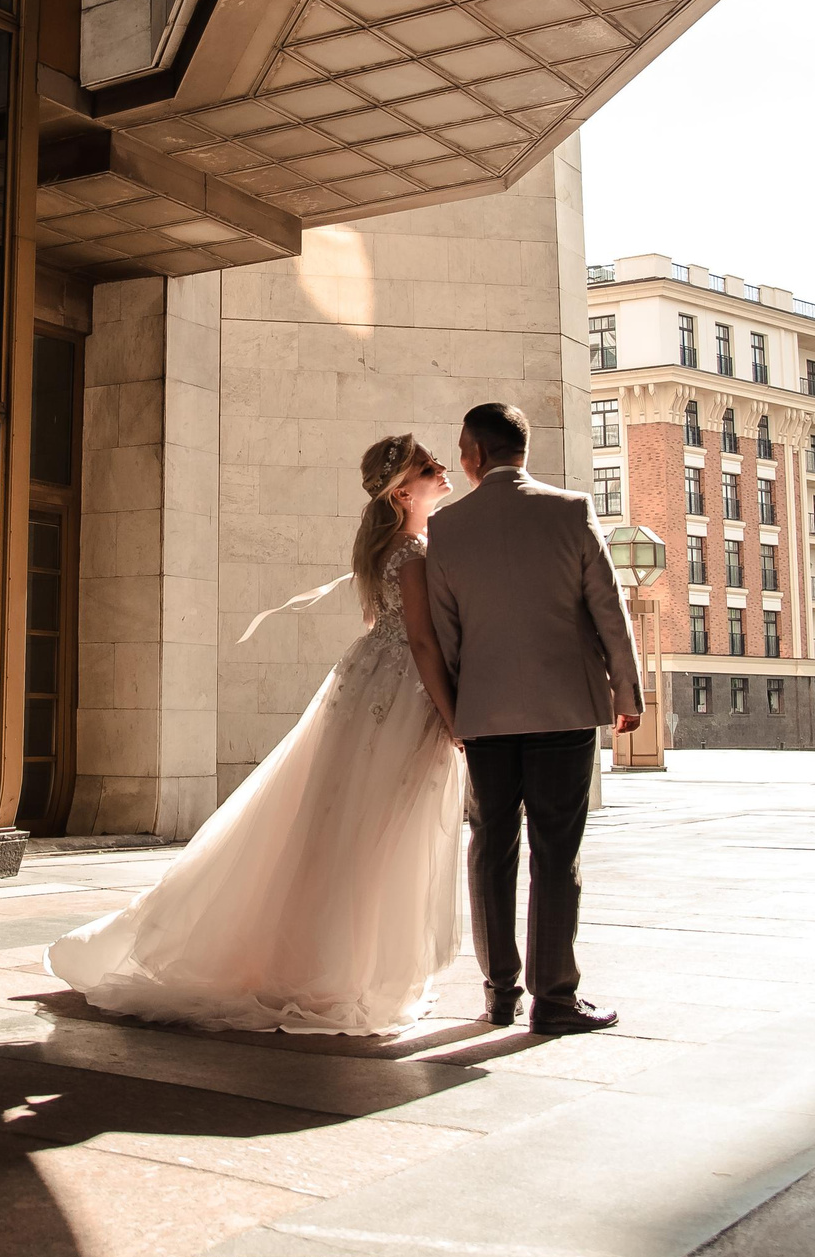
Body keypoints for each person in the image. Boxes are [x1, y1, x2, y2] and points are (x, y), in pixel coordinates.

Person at [47, 434, 466, 1032]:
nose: (442, 468)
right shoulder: (413, 552)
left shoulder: (399, 547)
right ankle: (335, 969)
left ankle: (331, 963)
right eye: (429, 465)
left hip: (374, 686)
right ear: (402, 493)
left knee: (351, 825)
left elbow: (385, 625)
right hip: (401, 693)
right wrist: (453, 714)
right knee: (375, 828)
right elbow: (422, 639)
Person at [426, 401, 642, 1035]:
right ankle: (554, 999)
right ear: (524, 451)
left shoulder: (448, 527)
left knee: (490, 845)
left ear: (471, 454)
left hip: (485, 715)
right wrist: (628, 694)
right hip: (564, 709)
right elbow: (609, 608)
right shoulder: (571, 510)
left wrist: (463, 707)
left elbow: (446, 634)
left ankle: (498, 994)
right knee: (556, 851)